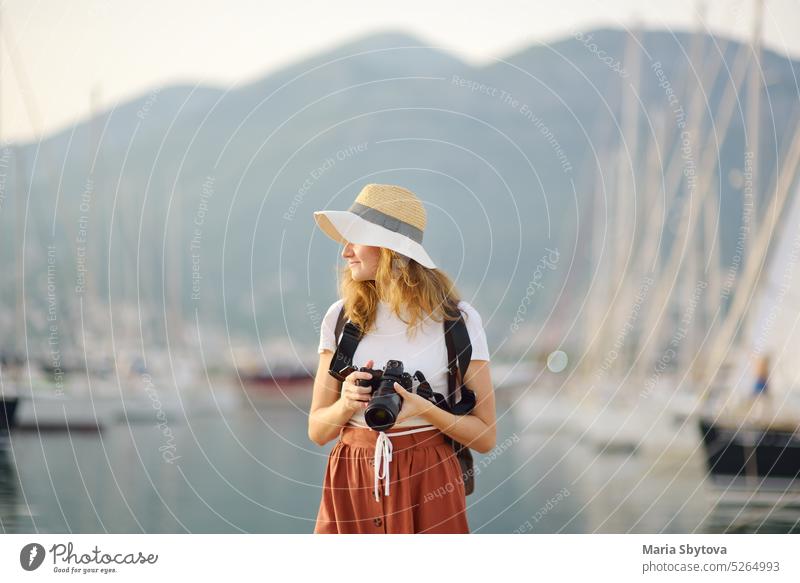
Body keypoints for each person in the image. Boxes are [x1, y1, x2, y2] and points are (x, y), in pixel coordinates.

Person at [308, 183, 496, 534]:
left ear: (390, 249)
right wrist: (347, 403)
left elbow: (485, 438)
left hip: (430, 479)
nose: (345, 252)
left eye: (355, 239)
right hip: (352, 476)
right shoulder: (340, 318)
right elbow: (318, 430)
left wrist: (423, 409)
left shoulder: (458, 321)